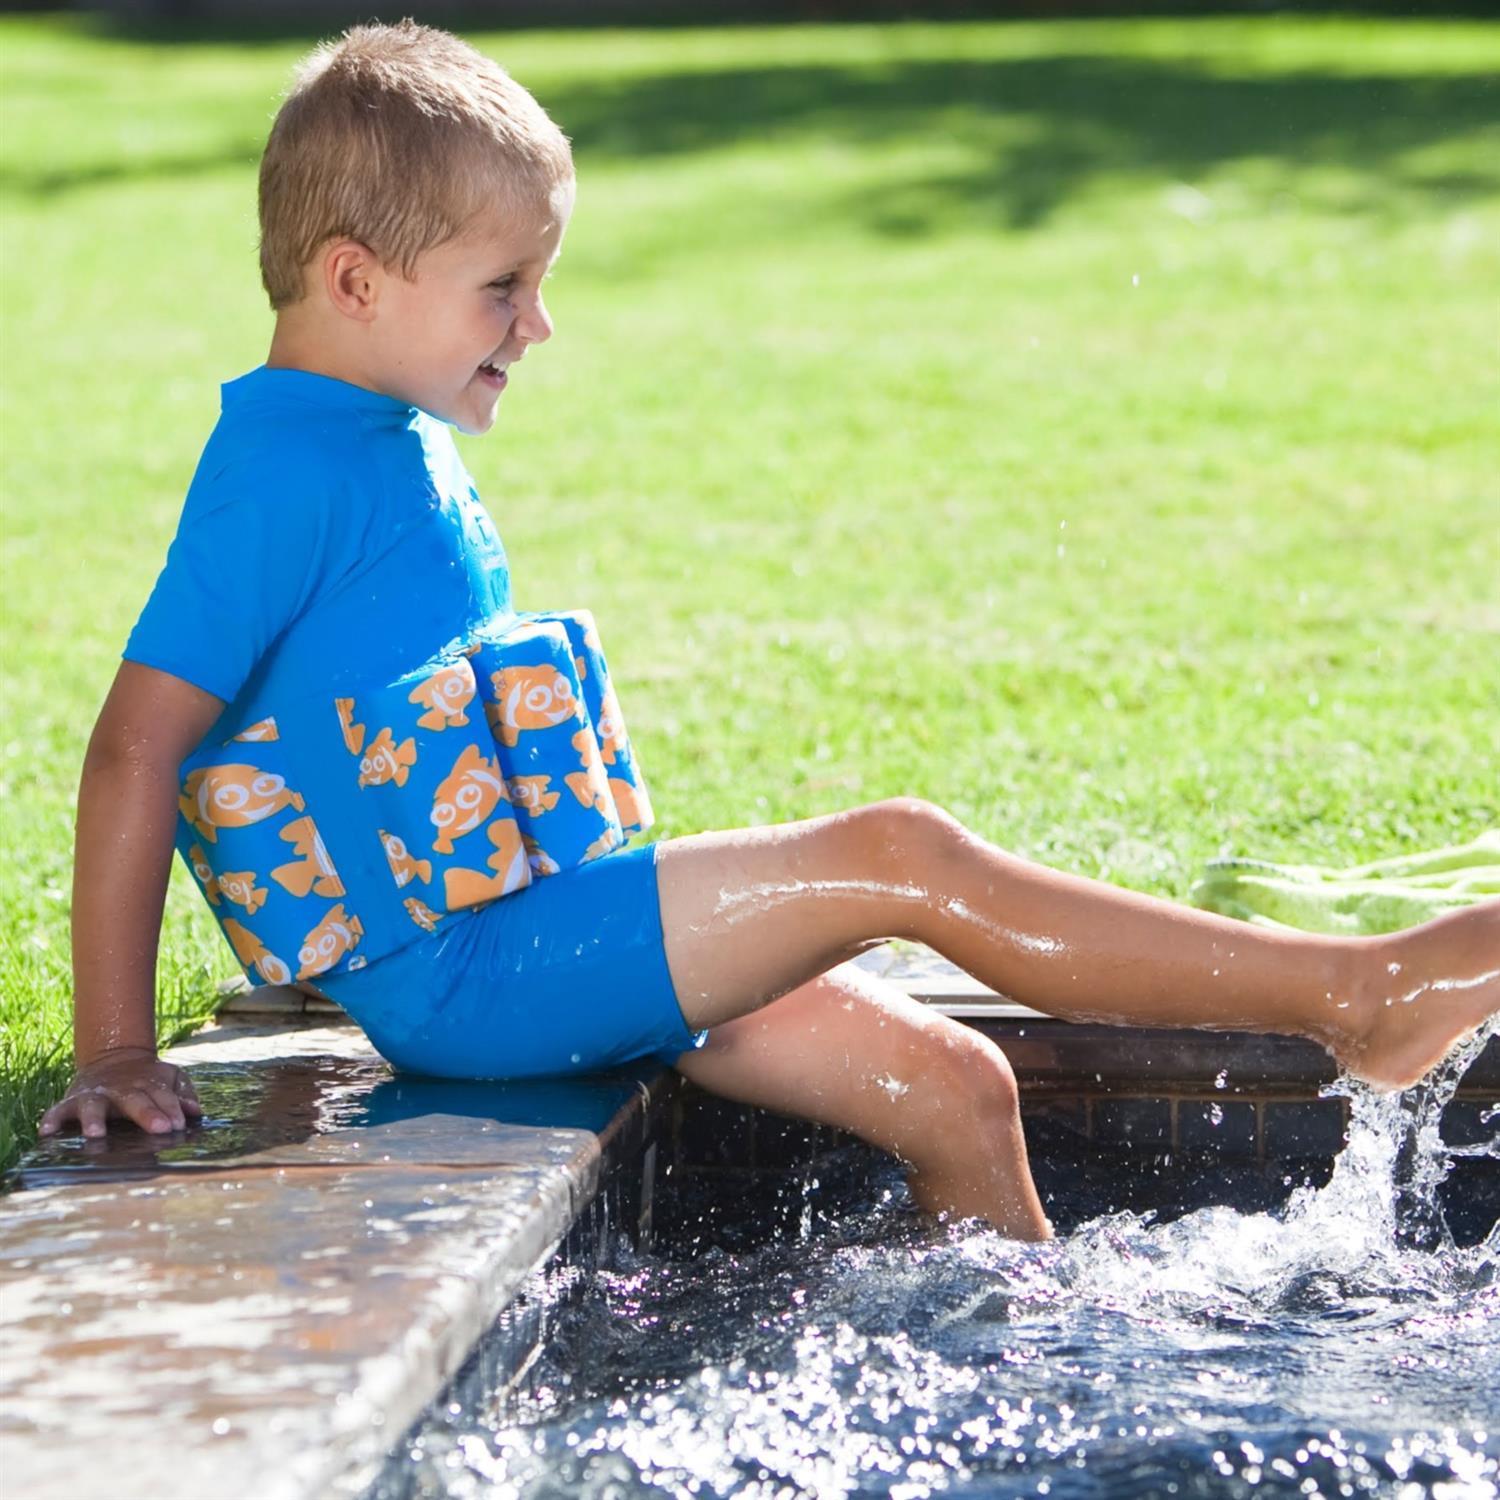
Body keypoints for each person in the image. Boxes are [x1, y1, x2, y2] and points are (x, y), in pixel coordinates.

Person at [37, 21, 1500, 1242]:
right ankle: (1358, 997)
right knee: (900, 854)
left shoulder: (374, 433)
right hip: (476, 979)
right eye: (504, 286)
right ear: (356, 281)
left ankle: (998, 1352)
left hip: (547, 922)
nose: (536, 327)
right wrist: (115, 1049)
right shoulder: (287, 469)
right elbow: (132, 754)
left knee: (953, 1086)